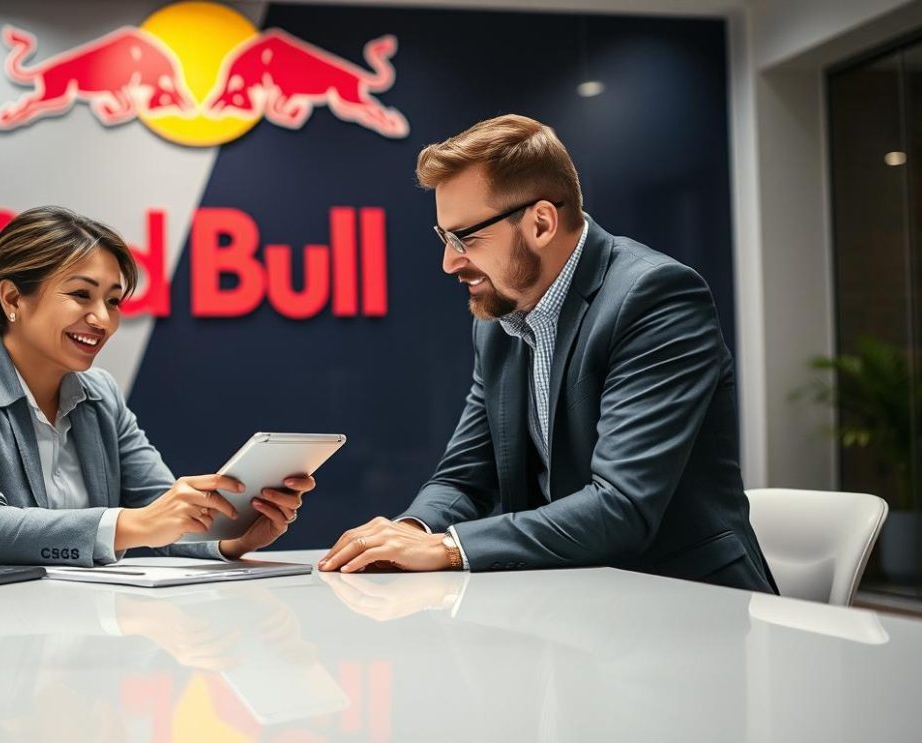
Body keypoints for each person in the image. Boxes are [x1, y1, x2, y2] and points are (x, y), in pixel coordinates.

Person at [320, 115, 776, 593]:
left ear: (540, 222)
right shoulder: (500, 323)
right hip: (581, 603)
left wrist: (448, 548)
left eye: (466, 239)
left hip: (690, 607)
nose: (449, 262)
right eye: (444, 238)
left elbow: (622, 506)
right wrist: (410, 534)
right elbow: (463, 480)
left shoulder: (655, 297)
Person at [0, 206, 314, 566]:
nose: (103, 320)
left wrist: (232, 538)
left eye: (113, 301)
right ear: (12, 299)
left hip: (81, 624)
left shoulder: (100, 395)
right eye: (82, 295)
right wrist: (134, 524)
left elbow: (161, 514)